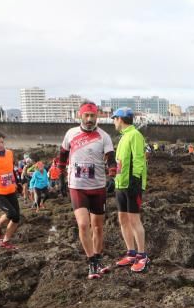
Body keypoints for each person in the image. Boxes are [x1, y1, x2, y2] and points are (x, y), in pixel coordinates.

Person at [59, 102, 116, 279]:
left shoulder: (104, 136)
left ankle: (98, 260)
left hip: (98, 187)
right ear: (80, 116)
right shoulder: (71, 134)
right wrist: (60, 180)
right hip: (77, 186)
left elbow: (111, 160)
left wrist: (112, 176)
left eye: (93, 116)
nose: (90, 119)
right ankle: (92, 263)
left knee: (98, 227)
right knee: (83, 224)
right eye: (86, 116)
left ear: (97, 116)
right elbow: (62, 157)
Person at [110, 107, 150, 273]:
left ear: (120, 119)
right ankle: (131, 253)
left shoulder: (135, 135)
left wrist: (135, 180)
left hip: (131, 184)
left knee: (134, 220)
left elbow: (139, 159)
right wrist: (114, 179)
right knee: (123, 219)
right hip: (120, 183)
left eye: (114, 119)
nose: (113, 122)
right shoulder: (124, 136)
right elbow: (121, 162)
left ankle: (142, 256)